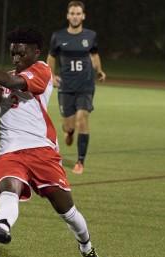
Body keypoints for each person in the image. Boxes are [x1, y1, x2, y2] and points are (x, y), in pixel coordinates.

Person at [0, 26, 105, 257]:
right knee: (9, 187)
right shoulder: (6, 76)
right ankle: (2, 228)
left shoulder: (41, 70)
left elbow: (14, 82)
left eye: (21, 53)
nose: (16, 58)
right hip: (9, 151)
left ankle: (87, 247)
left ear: (36, 52)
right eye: (13, 53)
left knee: (68, 213)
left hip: (41, 151)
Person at [47, 1, 106, 174]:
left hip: (86, 85)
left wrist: (99, 70)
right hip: (66, 87)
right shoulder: (58, 36)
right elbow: (51, 57)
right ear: (67, 16)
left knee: (82, 119)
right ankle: (69, 131)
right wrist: (51, 76)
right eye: (72, 13)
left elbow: (94, 55)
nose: (75, 16)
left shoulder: (91, 35)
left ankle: (80, 161)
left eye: (78, 13)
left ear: (83, 16)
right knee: (68, 125)